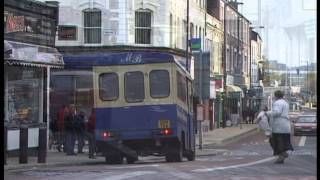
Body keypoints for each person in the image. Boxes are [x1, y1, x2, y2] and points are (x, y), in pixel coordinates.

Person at [265, 90, 294, 164]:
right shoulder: (285, 103)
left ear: (276, 96)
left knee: (274, 141)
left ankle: (282, 154)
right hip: (286, 126)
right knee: (284, 142)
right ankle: (281, 158)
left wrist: (267, 113)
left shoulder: (277, 103)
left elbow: (277, 112)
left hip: (279, 126)